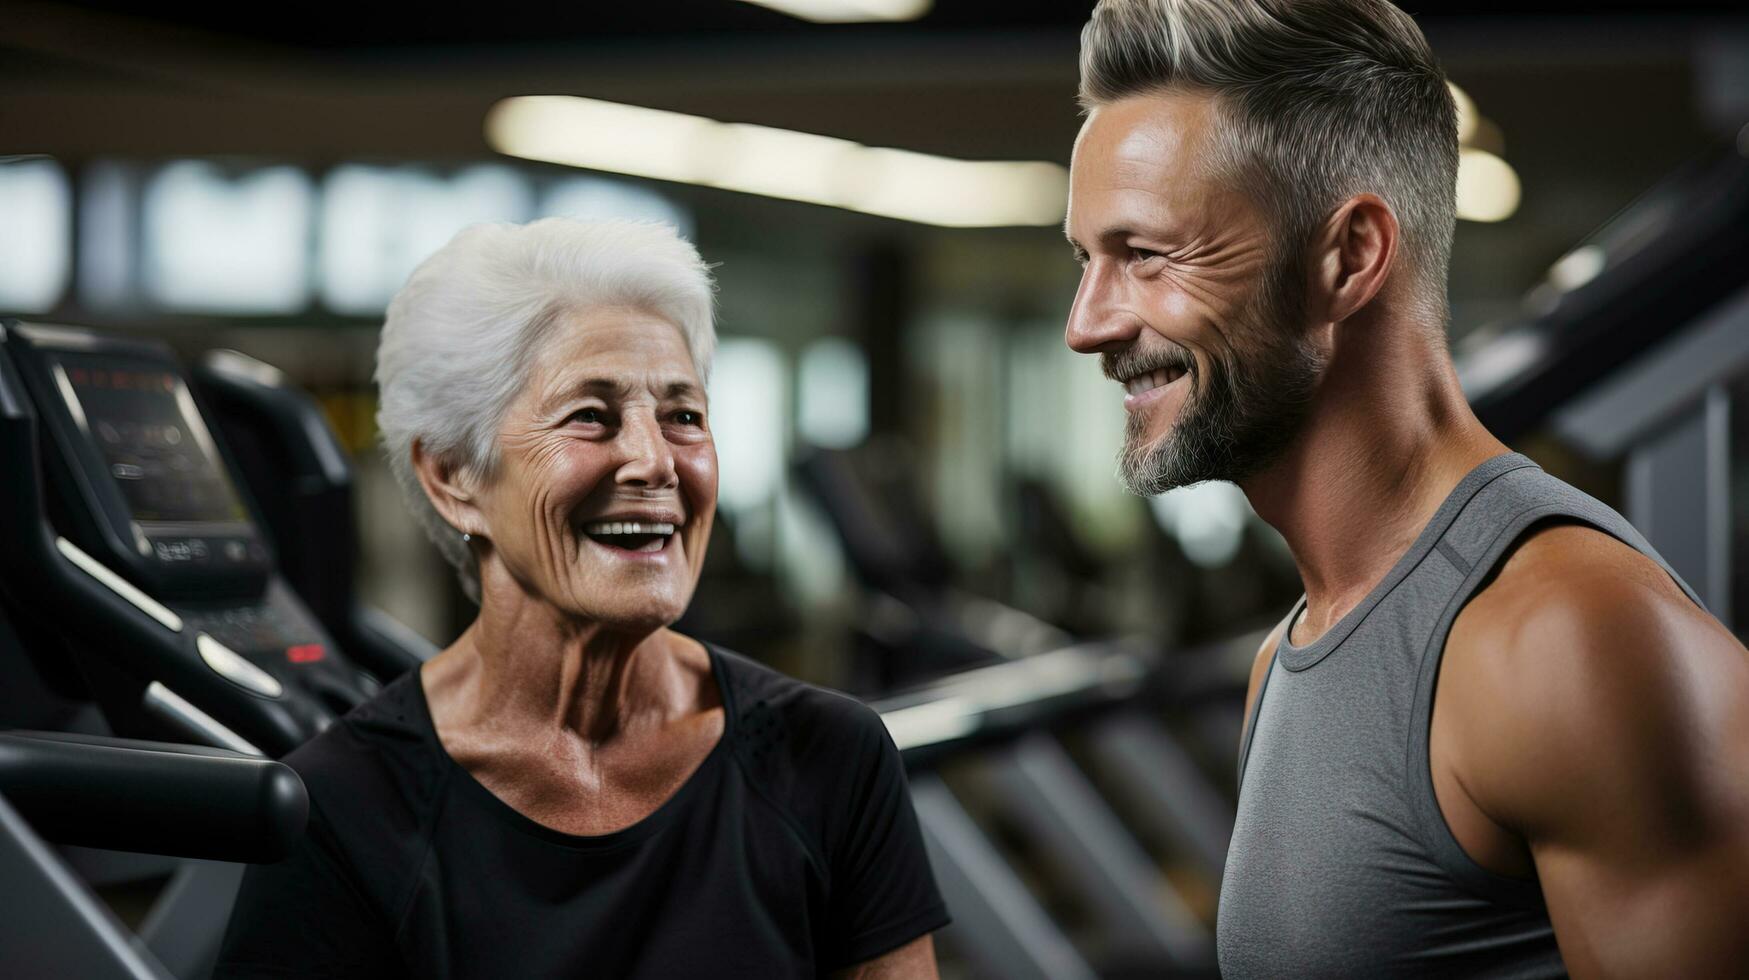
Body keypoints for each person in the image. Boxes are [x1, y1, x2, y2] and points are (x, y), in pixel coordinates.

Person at [1063, 1, 1749, 976]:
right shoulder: (1292, 649)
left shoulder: (1567, 641)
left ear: (1347, 257)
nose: (1086, 324)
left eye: (1145, 255)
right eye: (1083, 261)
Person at [215, 219, 948, 979]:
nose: (654, 460)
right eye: (591, 416)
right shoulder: (343, 808)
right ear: (453, 478)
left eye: (683, 416)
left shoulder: (830, 757)